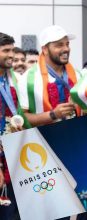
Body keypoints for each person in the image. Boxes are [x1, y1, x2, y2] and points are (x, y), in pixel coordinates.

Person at [18, 25, 79, 127]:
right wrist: (53, 114)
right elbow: (23, 117)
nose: (66, 49)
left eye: (67, 44)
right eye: (59, 45)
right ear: (45, 49)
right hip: (43, 140)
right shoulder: (28, 79)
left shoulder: (77, 75)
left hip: (76, 135)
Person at [0, 32, 26, 220]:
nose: (11, 55)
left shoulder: (14, 79)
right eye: (6, 50)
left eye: (12, 49)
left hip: (14, 155)